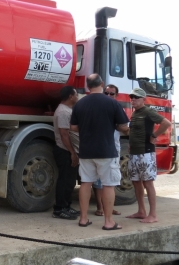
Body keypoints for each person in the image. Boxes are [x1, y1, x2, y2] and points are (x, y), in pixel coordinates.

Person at [70, 74, 129, 230]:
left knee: (86, 183)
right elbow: (123, 126)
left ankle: (83, 219)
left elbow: (73, 127)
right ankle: (109, 221)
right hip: (106, 150)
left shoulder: (80, 104)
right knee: (108, 185)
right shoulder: (112, 103)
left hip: (86, 150)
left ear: (88, 86)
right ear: (102, 84)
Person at [125, 87, 171, 223]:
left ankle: (153, 215)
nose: (133, 100)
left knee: (147, 183)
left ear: (143, 99)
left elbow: (166, 123)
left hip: (146, 153)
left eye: (136, 97)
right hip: (134, 153)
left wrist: (154, 135)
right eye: (131, 97)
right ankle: (141, 211)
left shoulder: (148, 111)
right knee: (136, 182)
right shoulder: (135, 113)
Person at [93, 84, 122, 217]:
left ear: (116, 96)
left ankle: (109, 207)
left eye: (112, 94)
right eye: (107, 93)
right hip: (102, 148)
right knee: (99, 181)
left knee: (112, 180)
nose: (109, 96)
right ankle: (100, 208)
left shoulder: (117, 108)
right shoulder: (99, 107)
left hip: (114, 148)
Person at [52, 86, 80, 220]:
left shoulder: (68, 110)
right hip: (64, 151)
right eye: (76, 94)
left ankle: (67, 206)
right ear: (70, 96)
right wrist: (72, 153)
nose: (77, 97)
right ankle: (59, 209)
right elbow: (64, 134)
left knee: (70, 181)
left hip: (68, 150)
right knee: (64, 181)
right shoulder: (63, 112)